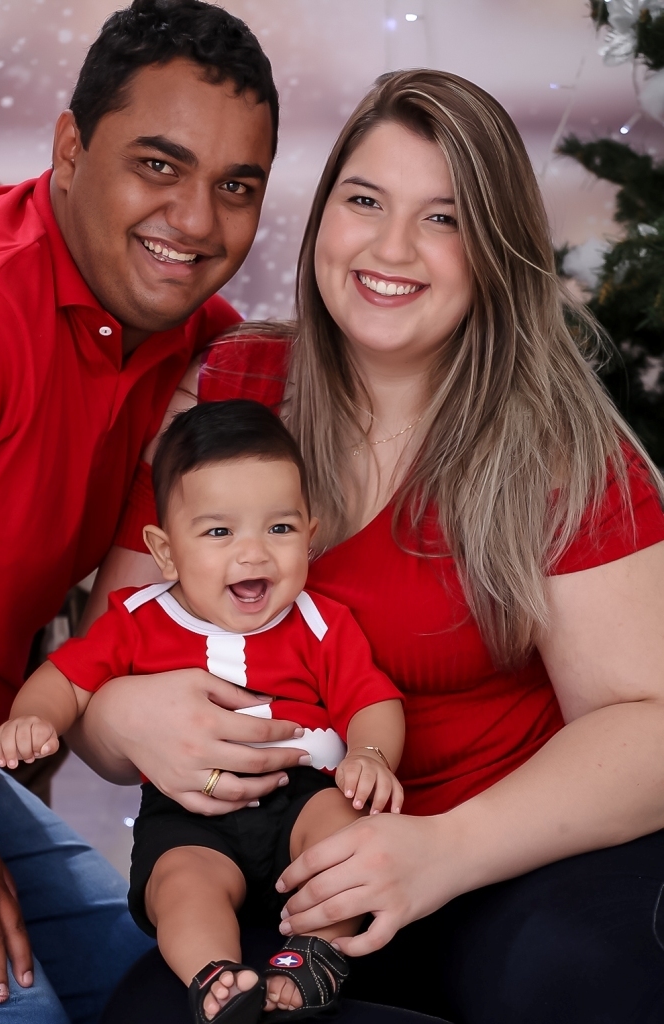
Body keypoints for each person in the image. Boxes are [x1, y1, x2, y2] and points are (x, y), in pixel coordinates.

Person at [78, 69, 664, 1024]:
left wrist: (444, 850)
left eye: (443, 219)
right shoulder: (233, 388)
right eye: (364, 201)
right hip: (289, 871)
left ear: (496, 251)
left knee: (585, 979)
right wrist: (117, 717)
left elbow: (650, 726)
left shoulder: (560, 446)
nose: (391, 248)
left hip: (512, 864)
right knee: (154, 1012)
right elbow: (97, 674)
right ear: (323, 217)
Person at [0, 2, 309, 1021]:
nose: (196, 220)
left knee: (144, 995)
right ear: (69, 148)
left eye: (235, 187)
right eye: (157, 165)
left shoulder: (195, 343)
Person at [0, 399, 405, 1023]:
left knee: (348, 837)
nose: (253, 554)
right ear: (165, 551)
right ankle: (215, 978)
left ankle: (314, 953)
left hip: (302, 792)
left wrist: (370, 754)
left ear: (311, 533)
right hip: (189, 812)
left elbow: (373, 699)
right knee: (180, 884)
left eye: (280, 529)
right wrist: (34, 718)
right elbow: (65, 682)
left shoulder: (320, 621)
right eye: (218, 533)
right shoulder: (139, 618)